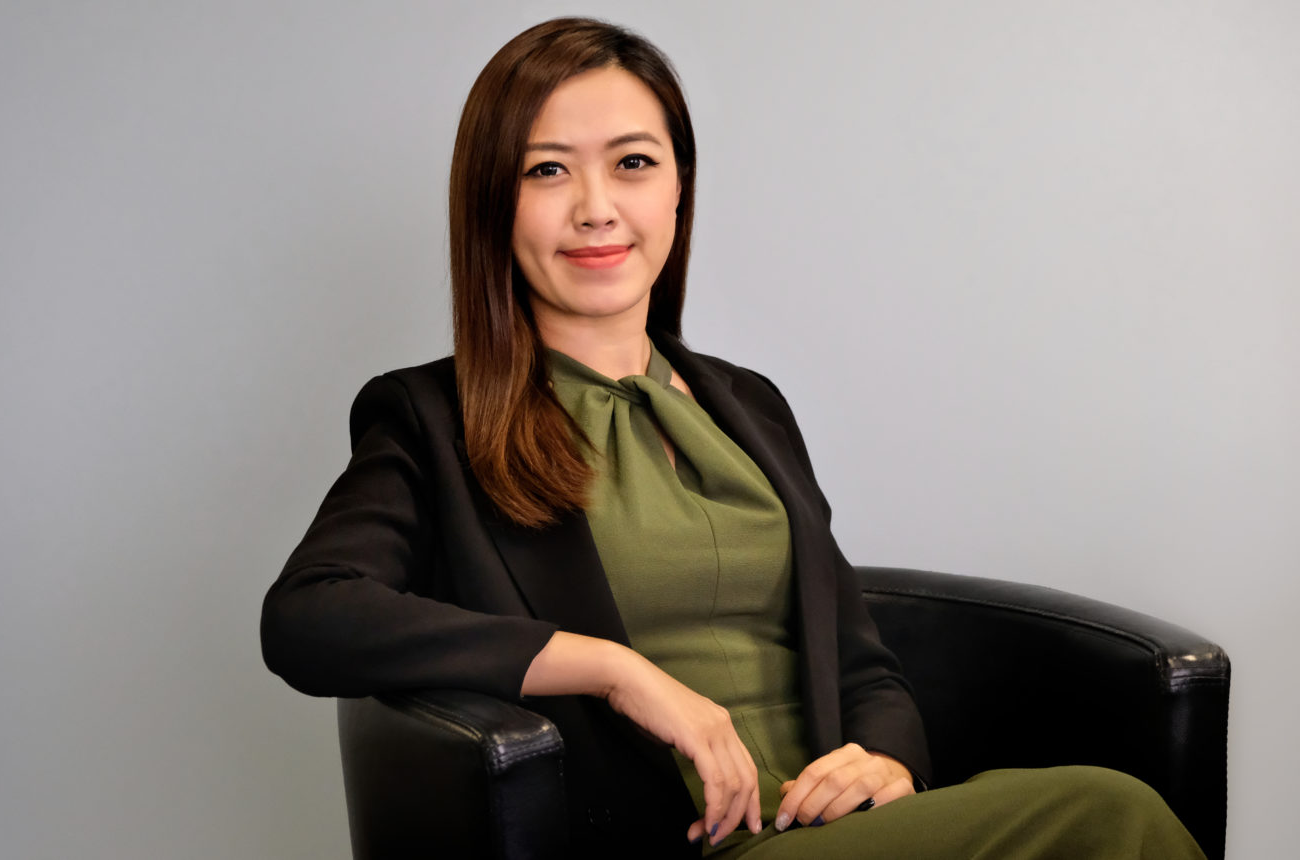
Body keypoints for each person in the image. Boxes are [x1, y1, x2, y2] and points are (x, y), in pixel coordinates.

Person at [261, 17, 1206, 859]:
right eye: (547, 170)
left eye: (633, 163)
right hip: (681, 841)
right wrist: (614, 669)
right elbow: (309, 616)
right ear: (492, 203)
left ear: (679, 187)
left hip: (835, 831)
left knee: (1099, 813)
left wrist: (887, 763)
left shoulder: (747, 405)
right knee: (1109, 815)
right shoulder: (431, 417)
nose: (596, 207)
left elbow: (862, 661)